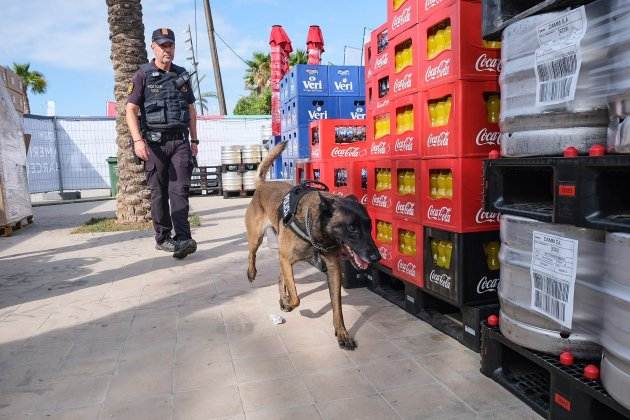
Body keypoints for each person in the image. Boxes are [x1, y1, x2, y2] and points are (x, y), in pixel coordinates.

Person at [126, 27, 198, 259]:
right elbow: (131, 110)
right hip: (154, 144)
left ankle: (183, 238)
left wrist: (194, 140)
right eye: (163, 45)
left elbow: (190, 110)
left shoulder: (182, 75)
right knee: (158, 193)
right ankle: (163, 238)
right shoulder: (143, 75)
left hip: (179, 141)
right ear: (153, 47)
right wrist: (138, 141)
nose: (167, 49)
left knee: (180, 191)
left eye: (171, 45)